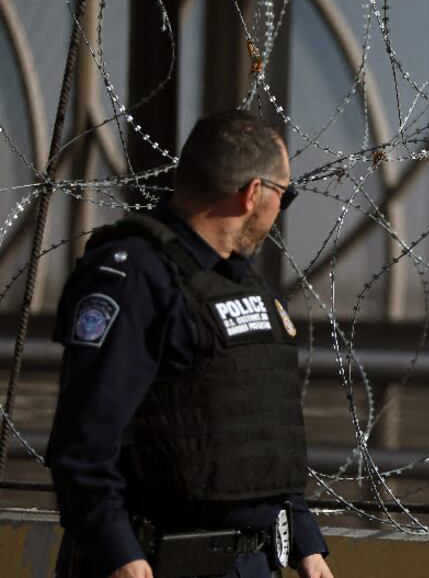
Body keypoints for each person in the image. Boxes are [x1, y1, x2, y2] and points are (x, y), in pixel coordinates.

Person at [46, 111, 334, 578]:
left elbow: (260, 432)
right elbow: (85, 441)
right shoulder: (135, 277)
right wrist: (121, 554)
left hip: (252, 562)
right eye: (286, 194)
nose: (282, 210)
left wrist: (305, 542)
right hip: (158, 559)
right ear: (252, 194)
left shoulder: (242, 286)